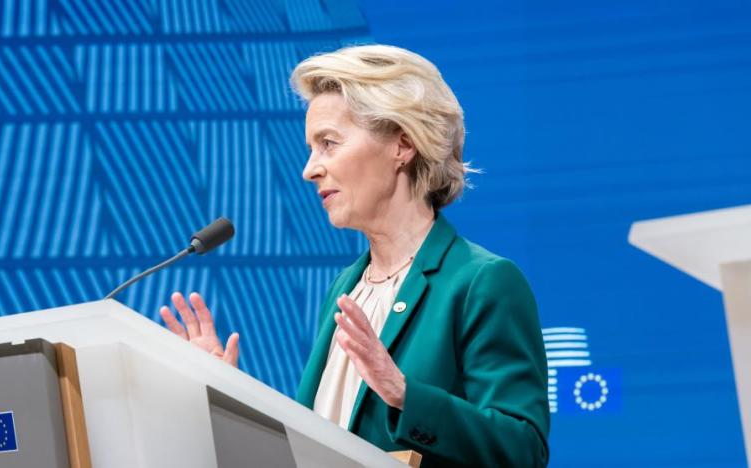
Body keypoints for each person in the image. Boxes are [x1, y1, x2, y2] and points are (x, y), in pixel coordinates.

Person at [160, 44, 550, 467]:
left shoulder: (480, 281)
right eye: (311, 148)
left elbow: (523, 450)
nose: (309, 169)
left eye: (328, 143)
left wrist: (404, 394)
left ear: (403, 144)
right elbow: (319, 445)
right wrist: (230, 392)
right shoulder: (348, 286)